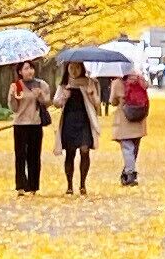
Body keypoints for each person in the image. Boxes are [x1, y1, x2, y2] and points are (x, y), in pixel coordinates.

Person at [57, 62, 102, 194]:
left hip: (84, 121)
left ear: (82, 68)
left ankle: (82, 184)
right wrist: (63, 97)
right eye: (71, 68)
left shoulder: (89, 82)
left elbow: (97, 103)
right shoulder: (64, 83)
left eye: (77, 67)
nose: (74, 71)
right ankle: (69, 185)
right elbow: (56, 102)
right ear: (67, 68)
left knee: (84, 150)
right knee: (70, 153)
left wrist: (91, 94)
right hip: (69, 121)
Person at [8, 61, 50, 194]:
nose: (30, 71)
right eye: (26, 68)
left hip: (35, 123)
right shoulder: (16, 86)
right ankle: (20, 185)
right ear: (20, 71)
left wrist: (40, 96)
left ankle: (33, 186)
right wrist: (12, 97)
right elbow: (14, 109)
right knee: (20, 155)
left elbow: (47, 102)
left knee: (34, 156)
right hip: (20, 124)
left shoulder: (41, 84)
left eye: (31, 68)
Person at [115, 68, 153, 185]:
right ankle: (127, 172)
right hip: (139, 119)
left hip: (125, 119)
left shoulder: (118, 82)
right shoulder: (140, 79)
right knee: (134, 148)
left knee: (127, 148)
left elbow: (113, 101)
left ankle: (130, 173)